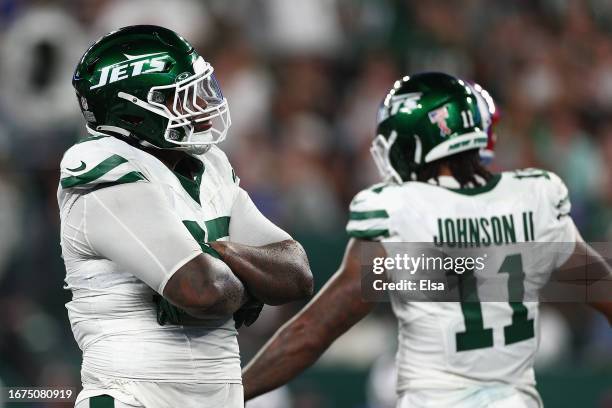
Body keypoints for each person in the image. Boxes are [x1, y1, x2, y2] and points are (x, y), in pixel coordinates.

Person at [241, 72, 612, 407]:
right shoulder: (533, 200)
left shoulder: (401, 211)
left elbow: (313, 331)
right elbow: (603, 289)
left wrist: (232, 394)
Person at [57, 25, 313, 408]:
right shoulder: (100, 167)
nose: (201, 107)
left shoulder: (208, 164)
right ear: (134, 109)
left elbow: (296, 275)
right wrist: (252, 281)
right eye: (182, 98)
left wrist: (220, 256)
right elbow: (201, 291)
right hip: (134, 398)